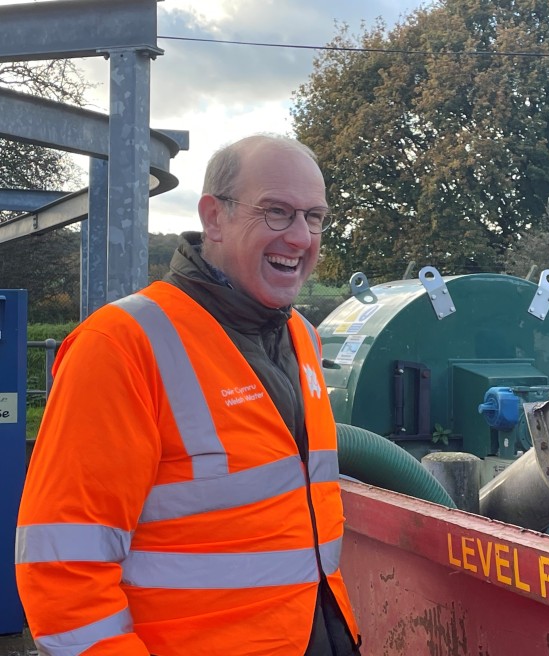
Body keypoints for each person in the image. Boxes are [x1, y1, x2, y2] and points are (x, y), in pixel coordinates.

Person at [16, 134, 362, 655]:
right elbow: (62, 570)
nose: (299, 237)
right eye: (276, 212)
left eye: (314, 217)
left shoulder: (301, 339)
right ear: (214, 217)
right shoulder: (121, 345)